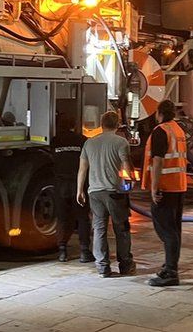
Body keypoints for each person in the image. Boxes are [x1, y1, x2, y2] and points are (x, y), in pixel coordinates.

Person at [78, 111, 136, 277]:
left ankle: (103, 267)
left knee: (99, 229)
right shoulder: (121, 142)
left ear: (101, 125)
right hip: (114, 192)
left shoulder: (89, 143)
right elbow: (126, 166)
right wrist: (130, 180)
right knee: (122, 228)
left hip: (94, 192)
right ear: (118, 124)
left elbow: (82, 169)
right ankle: (125, 264)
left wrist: (79, 190)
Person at [142, 100, 188, 287]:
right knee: (174, 230)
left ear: (159, 113)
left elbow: (158, 160)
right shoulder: (178, 130)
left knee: (166, 231)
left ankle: (170, 271)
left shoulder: (160, 131)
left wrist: (154, 188)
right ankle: (170, 266)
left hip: (165, 188)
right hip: (178, 186)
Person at [51, 114, 94, 263]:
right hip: (78, 184)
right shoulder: (82, 140)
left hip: (60, 184)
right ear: (74, 125)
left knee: (62, 218)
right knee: (82, 217)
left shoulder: (54, 141)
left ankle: (62, 251)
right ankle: (84, 252)